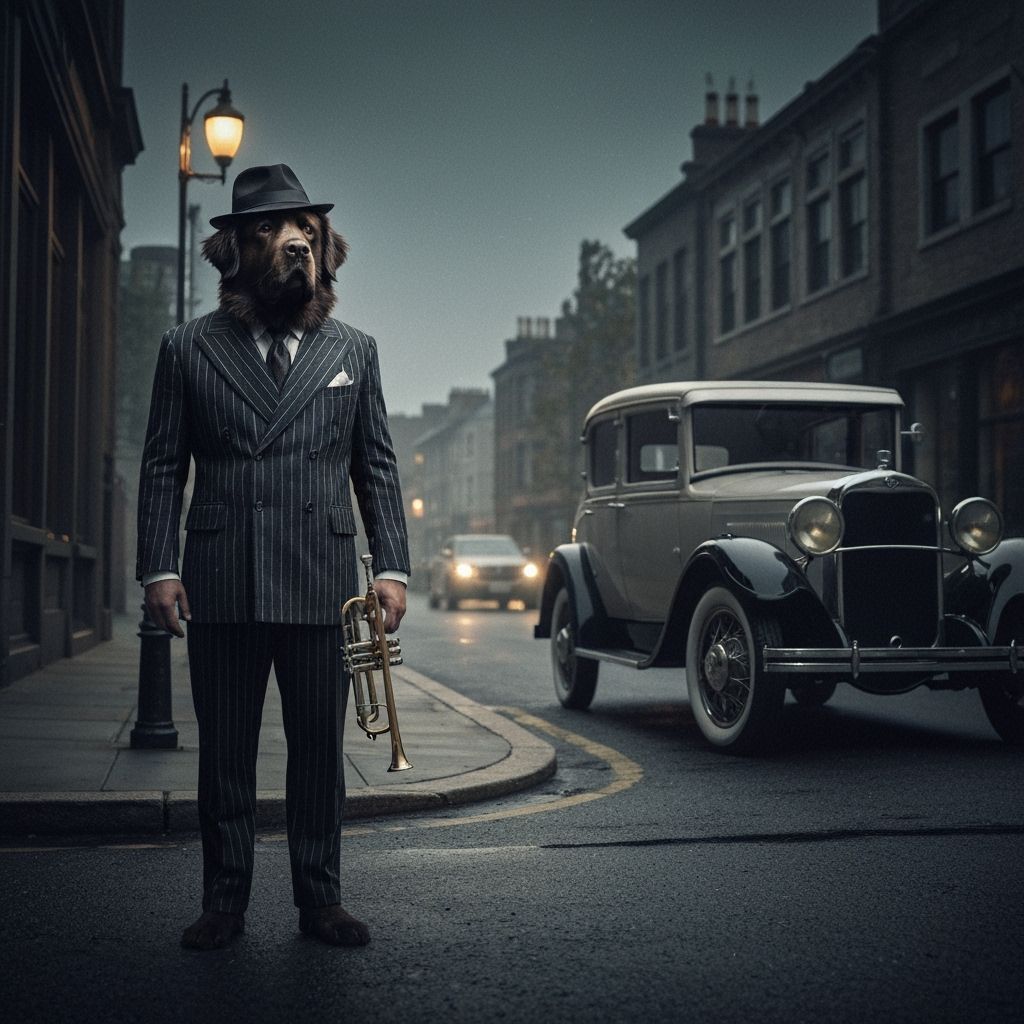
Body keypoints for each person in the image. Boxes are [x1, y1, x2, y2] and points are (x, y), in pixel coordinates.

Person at [136, 164, 409, 951]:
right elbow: (162, 464)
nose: (293, 243)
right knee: (225, 751)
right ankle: (224, 901)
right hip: (222, 575)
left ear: (324, 252)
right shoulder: (187, 349)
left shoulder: (354, 351)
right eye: (270, 231)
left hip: (320, 580)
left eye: (307, 235)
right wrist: (159, 566)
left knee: (319, 754)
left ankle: (320, 899)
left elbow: (377, 466)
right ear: (235, 253)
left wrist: (391, 566)